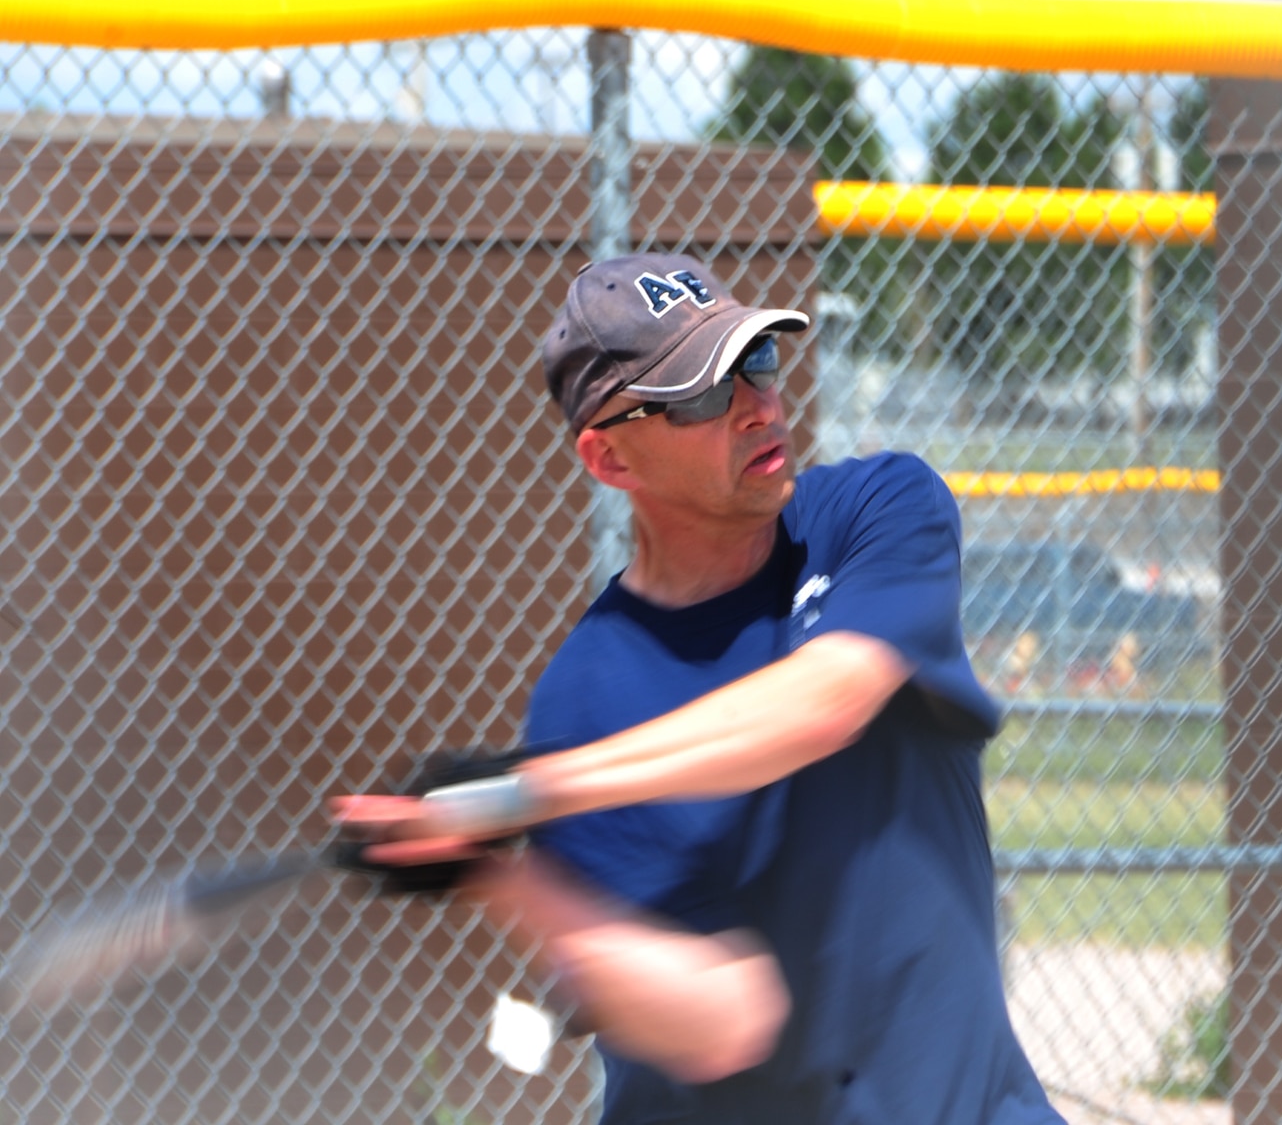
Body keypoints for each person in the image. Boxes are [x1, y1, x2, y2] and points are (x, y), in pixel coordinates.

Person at [335, 254, 1063, 1124]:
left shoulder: (872, 512)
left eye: (756, 360)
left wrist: (527, 789)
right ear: (609, 460)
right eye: (699, 396)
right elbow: (720, 1017)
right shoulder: (590, 693)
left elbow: (824, 701)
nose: (760, 405)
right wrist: (489, 873)